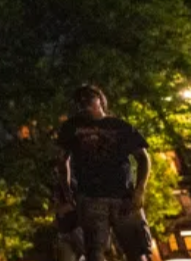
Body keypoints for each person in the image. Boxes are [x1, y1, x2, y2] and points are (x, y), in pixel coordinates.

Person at [56, 84, 155, 261]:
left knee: (138, 251)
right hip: (91, 198)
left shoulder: (120, 126)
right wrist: (67, 190)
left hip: (124, 196)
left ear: (100, 100)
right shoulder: (71, 128)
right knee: (95, 252)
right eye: (79, 102)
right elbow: (62, 161)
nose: (84, 104)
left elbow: (143, 158)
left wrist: (140, 191)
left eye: (88, 99)